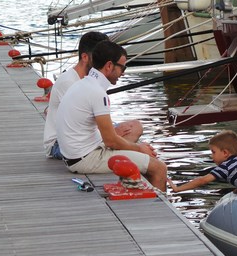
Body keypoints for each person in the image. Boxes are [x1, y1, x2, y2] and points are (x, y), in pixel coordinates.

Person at [56, 40, 167, 191]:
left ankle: (145, 185)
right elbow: (110, 141)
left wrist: (138, 149)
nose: (123, 73)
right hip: (84, 159)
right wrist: (140, 149)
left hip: (75, 154)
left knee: (131, 138)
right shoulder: (97, 93)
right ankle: (157, 209)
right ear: (109, 66)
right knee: (159, 168)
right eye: (123, 67)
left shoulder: (82, 84)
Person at [43, 31, 142, 160]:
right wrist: (113, 134)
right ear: (85, 57)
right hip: (60, 144)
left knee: (134, 127)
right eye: (98, 56)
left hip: (84, 135)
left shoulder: (92, 81)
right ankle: (116, 159)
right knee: (124, 137)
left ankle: (116, 157)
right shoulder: (69, 82)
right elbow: (76, 127)